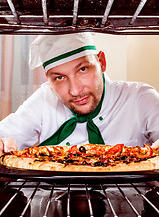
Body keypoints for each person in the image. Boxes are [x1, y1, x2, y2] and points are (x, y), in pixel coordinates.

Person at [0, 32, 159, 155]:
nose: (75, 91)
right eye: (60, 78)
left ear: (101, 62)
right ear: (48, 79)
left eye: (83, 69)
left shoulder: (140, 98)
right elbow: (6, 136)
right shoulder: (43, 100)